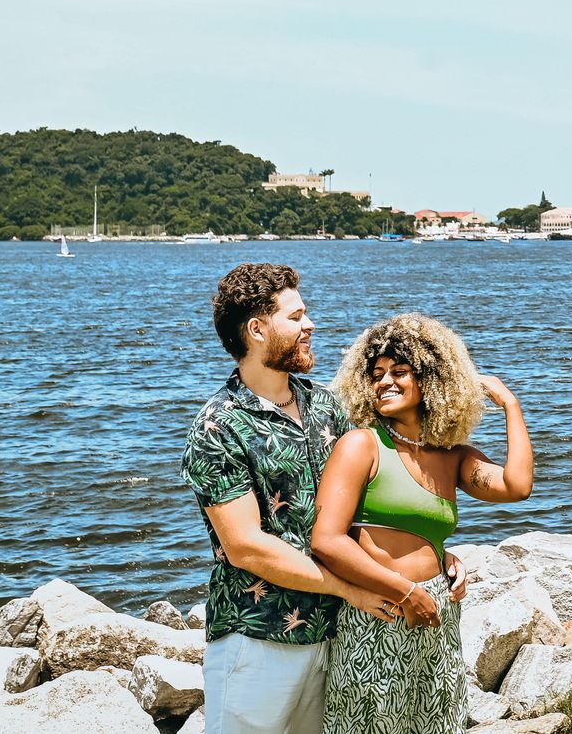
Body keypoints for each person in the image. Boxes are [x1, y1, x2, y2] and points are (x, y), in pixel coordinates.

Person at [181, 265, 463, 734]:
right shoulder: (218, 427)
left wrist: (428, 553)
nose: (310, 326)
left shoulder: (326, 406)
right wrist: (346, 588)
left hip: (339, 635)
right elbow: (245, 546)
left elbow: (363, 508)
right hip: (261, 637)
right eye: (296, 317)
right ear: (257, 329)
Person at [312, 314, 534, 734]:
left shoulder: (452, 455)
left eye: (400, 372)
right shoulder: (362, 444)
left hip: (437, 610)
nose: (384, 382)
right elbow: (326, 541)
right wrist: (405, 591)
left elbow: (515, 486)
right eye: (376, 374)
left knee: (436, 721)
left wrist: (510, 405)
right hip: (380, 612)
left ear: (430, 380)